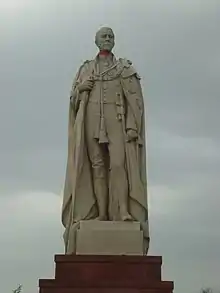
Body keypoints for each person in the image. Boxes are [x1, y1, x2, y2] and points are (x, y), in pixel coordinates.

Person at [62, 27, 149, 254]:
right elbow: (73, 100)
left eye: (111, 37)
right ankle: (101, 213)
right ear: (96, 41)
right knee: (97, 167)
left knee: (119, 165)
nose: (108, 40)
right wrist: (81, 89)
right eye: (104, 37)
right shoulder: (86, 69)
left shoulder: (123, 68)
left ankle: (121, 211)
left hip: (117, 120)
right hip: (91, 119)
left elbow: (135, 101)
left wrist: (132, 125)